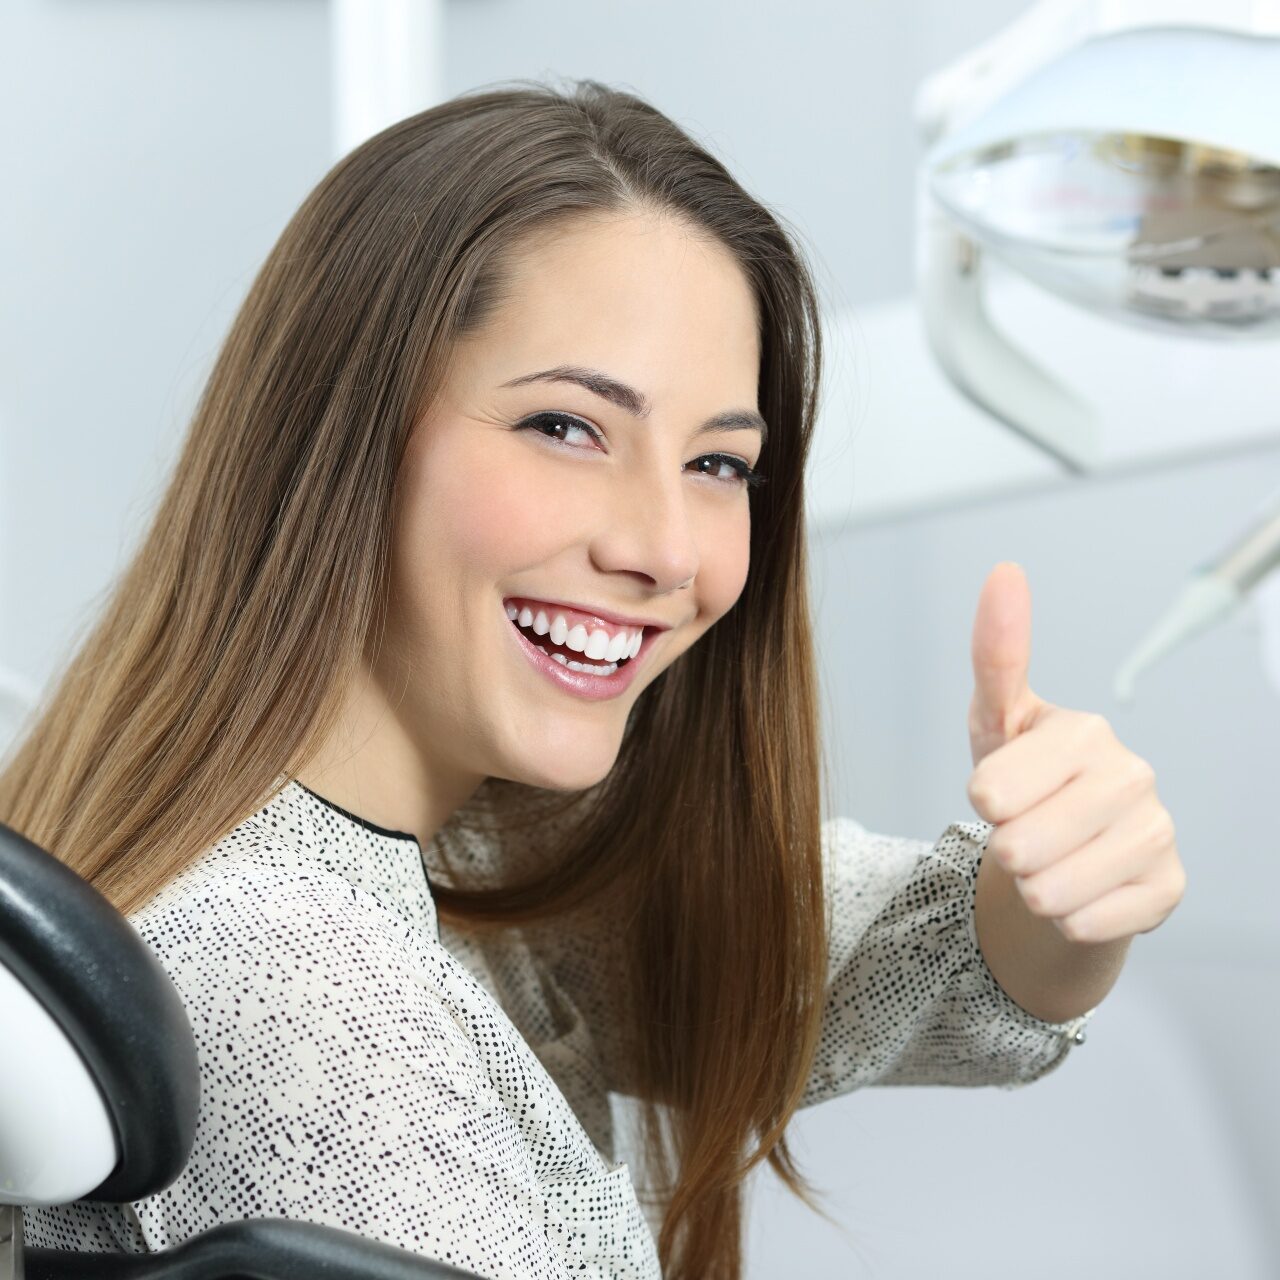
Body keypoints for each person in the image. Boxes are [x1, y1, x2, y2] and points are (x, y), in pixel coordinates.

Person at [8, 78, 1104, 1280]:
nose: (665, 548)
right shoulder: (308, 979)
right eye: (566, 427)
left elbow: (793, 950)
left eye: (716, 461)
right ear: (347, 428)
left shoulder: (462, 842)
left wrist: (1054, 891)